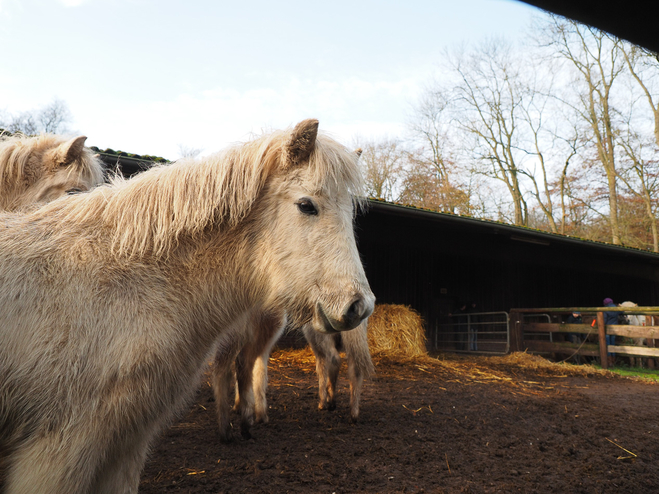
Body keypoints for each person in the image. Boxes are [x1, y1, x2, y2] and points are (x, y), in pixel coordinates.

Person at [603, 297, 618, 366]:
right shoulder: (616, 308)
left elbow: (604, 320)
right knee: (613, 344)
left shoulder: (605, 310)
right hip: (614, 329)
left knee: (608, 345)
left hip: (608, 329)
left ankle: (609, 361)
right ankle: (614, 360)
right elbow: (622, 311)